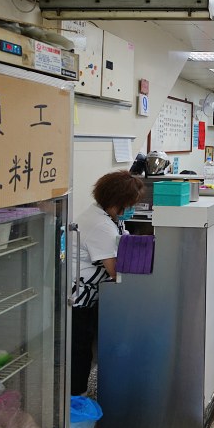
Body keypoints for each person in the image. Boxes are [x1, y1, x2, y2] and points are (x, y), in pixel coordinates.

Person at [71, 170, 146, 396]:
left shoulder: (105, 216)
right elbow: (115, 272)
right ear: (116, 202)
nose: (131, 209)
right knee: (80, 351)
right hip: (78, 299)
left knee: (85, 349)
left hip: (89, 296)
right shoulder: (99, 225)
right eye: (129, 204)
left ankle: (78, 397)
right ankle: (76, 403)